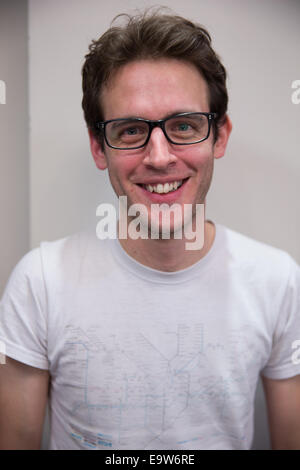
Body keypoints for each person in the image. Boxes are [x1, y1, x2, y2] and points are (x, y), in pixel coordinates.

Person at [0, 9, 299, 451]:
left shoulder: (277, 280)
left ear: (219, 136)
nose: (159, 157)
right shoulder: (40, 282)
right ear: (99, 147)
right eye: (131, 130)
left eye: (183, 125)